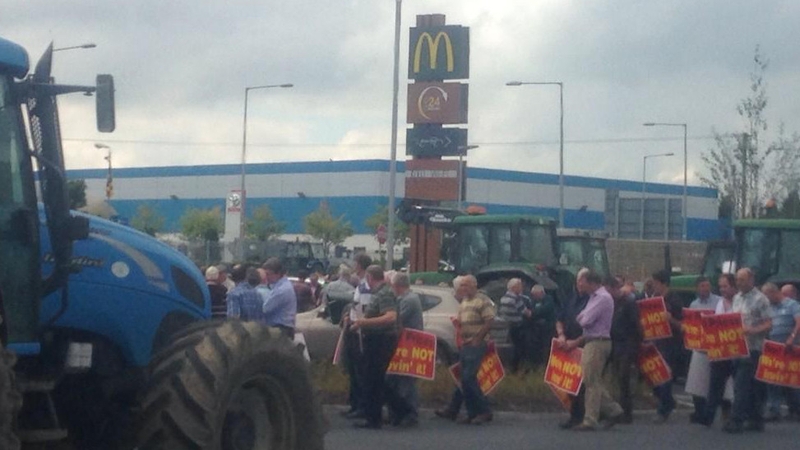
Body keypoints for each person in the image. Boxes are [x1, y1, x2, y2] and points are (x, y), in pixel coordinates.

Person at [563, 270, 624, 431]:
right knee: (591, 380)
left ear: (592, 283)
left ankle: (590, 419)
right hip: (592, 341)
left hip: (597, 342)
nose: (581, 285)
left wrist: (583, 318)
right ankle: (614, 410)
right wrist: (583, 317)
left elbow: (585, 320)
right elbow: (581, 317)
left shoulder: (602, 298)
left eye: (583, 282)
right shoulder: (594, 298)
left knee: (591, 382)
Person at [435, 275, 495, 425]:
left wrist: (478, 339)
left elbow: (489, 321)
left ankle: (484, 410)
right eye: (461, 285)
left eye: (465, 285)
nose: (462, 288)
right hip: (465, 344)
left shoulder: (482, 300)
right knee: (462, 379)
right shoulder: (464, 301)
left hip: (476, 344)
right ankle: (466, 411)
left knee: (468, 378)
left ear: (474, 285)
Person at [722, 268, 772, 434]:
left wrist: (752, 329)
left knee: (741, 385)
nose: (739, 283)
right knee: (750, 386)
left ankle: (737, 419)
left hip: (753, 348)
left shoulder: (761, 299)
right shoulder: (737, 298)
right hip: (737, 347)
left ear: (751, 279)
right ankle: (756, 419)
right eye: (737, 280)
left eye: (742, 280)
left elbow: (768, 324)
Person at [349, 265, 398, 429]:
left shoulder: (384, 293)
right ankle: (385, 414)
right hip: (375, 338)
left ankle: (377, 417)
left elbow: (390, 317)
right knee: (374, 379)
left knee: (374, 379)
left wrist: (363, 322)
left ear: (370, 277)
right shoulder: (380, 292)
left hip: (381, 339)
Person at [385, 272, 423, 427]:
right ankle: (397, 412)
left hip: (409, 344)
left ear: (397, 286)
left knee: (406, 381)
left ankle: (410, 413)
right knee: (394, 379)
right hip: (403, 343)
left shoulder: (409, 300)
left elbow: (397, 320)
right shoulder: (405, 298)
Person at [698, 273, 736, 427]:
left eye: (725, 286)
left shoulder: (740, 302)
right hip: (720, 351)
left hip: (737, 351)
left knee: (739, 386)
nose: (722, 289)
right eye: (720, 286)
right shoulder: (720, 303)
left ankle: (739, 415)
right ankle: (708, 416)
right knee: (715, 385)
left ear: (733, 286)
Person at [646, 269, 683, 423]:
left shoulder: (674, 300)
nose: (653, 286)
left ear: (663, 283)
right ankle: (668, 401)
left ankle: (663, 410)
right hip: (657, 342)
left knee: (665, 376)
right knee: (653, 376)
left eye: (655, 283)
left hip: (671, 343)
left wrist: (671, 319)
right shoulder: (655, 298)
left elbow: (683, 325)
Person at [555, 268, 590, 429]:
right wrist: (561, 335)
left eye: (582, 281)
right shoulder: (571, 297)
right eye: (577, 281)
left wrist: (575, 342)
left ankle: (582, 415)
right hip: (567, 344)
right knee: (570, 381)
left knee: (582, 383)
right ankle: (575, 415)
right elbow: (559, 318)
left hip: (584, 344)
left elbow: (593, 328)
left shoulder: (592, 300)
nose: (579, 284)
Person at [685, 277, 722, 423]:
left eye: (707, 286)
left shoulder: (719, 301)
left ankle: (715, 411)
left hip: (715, 346)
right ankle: (699, 411)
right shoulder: (694, 304)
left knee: (715, 380)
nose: (705, 289)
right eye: (702, 286)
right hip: (699, 347)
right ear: (697, 288)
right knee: (697, 381)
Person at [761, 282, 800, 421]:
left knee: (791, 379)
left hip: (790, 346)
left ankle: (796, 409)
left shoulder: (791, 305)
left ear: (773, 292)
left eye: (767, 296)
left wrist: (792, 337)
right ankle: (774, 410)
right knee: (772, 378)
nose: (766, 300)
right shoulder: (770, 307)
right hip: (773, 347)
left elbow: (798, 321)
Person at [341, 254, 373, 420]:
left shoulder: (366, 286)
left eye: (355, 262)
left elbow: (364, 309)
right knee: (354, 371)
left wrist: (357, 321)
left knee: (360, 372)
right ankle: (355, 404)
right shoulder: (360, 284)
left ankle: (361, 405)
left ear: (359, 265)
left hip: (360, 332)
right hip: (354, 328)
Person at [607, 275, 642, 424]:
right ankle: (621, 410)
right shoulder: (612, 302)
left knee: (624, 377)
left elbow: (636, 325)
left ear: (615, 288)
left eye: (609, 291)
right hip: (615, 343)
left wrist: (638, 343)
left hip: (627, 344)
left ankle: (627, 412)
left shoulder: (628, 303)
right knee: (618, 378)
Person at [497, 278, 531, 373]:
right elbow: (526, 312)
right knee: (520, 348)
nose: (521, 288)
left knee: (513, 347)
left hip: (508, 326)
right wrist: (532, 312)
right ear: (514, 287)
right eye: (520, 285)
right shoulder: (516, 298)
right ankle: (517, 368)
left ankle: (511, 368)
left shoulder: (503, 298)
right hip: (518, 327)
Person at [260, 257, 298, 339]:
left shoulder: (281, 290)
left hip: (280, 330)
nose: (266, 277)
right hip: (283, 329)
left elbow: (265, 309)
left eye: (268, 274)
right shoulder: (282, 286)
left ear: (278, 274)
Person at [529, 284, 557, 367]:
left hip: (548, 327)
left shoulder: (549, 299)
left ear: (541, 292)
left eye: (535, 294)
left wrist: (533, 313)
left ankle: (547, 364)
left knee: (547, 347)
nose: (534, 297)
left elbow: (544, 310)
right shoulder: (534, 301)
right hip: (537, 329)